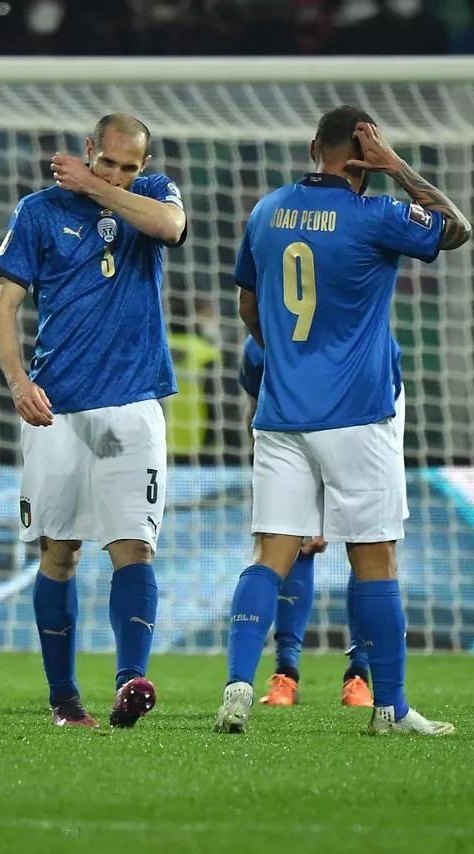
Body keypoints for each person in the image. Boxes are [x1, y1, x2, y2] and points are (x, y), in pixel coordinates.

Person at [216, 105, 470, 735]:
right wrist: (399, 168)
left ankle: (239, 689)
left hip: (281, 410)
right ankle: (390, 708)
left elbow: (247, 301)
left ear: (312, 148)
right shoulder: (377, 213)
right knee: (375, 560)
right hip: (358, 413)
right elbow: (458, 228)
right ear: (365, 156)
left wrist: (285, 358)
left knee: (269, 552)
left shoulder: (267, 210)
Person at [0, 114, 186, 728]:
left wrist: (100, 189)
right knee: (60, 553)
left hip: (131, 404)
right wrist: (19, 383)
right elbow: (4, 307)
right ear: (87, 149)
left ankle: (131, 682)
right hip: (59, 410)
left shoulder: (151, 197)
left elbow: (172, 228)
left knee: (134, 546)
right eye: (108, 162)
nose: (120, 173)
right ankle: (65, 699)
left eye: (131, 166)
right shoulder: (38, 210)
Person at [240, 333, 402, 708]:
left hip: (367, 410)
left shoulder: (374, 348)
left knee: (368, 539)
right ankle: (285, 674)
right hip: (289, 423)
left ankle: (360, 674)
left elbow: (382, 424)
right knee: (290, 539)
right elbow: (255, 416)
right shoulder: (259, 351)